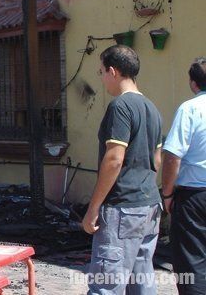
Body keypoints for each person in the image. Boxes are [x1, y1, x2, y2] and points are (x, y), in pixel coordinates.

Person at [82, 45, 163, 294]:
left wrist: (93, 208)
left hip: (122, 210)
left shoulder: (120, 107)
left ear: (113, 71)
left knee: (106, 285)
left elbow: (114, 159)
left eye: (101, 71)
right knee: (141, 281)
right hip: (149, 205)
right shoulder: (152, 109)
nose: (102, 78)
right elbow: (157, 160)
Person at [161, 58, 206, 294]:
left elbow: (172, 157)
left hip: (194, 197)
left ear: (193, 83)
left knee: (192, 262)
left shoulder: (190, 109)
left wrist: (167, 194)